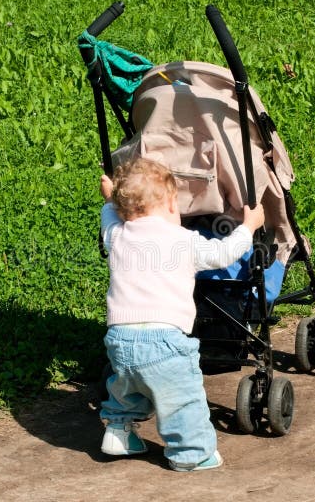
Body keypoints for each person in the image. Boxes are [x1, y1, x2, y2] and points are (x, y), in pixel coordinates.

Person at [98, 158, 265, 472]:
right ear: (172, 205)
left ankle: (118, 432)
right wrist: (249, 227)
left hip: (120, 339)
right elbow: (223, 254)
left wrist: (109, 200)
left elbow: (109, 217)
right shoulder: (182, 241)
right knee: (182, 399)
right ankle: (191, 453)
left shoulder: (118, 235)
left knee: (127, 384)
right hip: (165, 342)